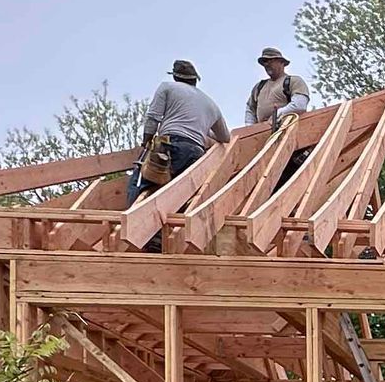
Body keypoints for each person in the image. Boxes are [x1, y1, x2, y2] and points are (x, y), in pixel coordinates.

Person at [129, 61, 230, 241]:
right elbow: (225, 138)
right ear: (195, 80)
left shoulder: (167, 87)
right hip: (195, 153)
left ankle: (147, 237)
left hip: (169, 145)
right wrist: (200, 130)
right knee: (182, 195)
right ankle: (175, 239)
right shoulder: (210, 104)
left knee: (142, 184)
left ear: (175, 77)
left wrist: (146, 141)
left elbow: (153, 117)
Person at [246, 45, 313, 187]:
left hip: (286, 134)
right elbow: (250, 108)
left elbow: (300, 105)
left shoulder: (292, 81)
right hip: (264, 138)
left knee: (287, 175)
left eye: (270, 61)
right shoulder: (260, 87)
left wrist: (278, 116)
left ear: (281, 62)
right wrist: (251, 129)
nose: (267, 65)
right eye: (264, 62)